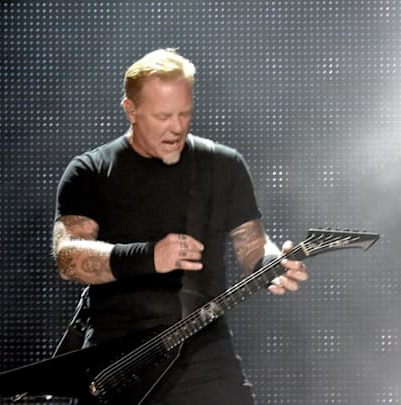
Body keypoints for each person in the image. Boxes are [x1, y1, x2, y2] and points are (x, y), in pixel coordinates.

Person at [51, 48, 308, 404]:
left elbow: (253, 246)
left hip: (205, 358)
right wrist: (149, 256)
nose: (177, 127)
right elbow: (68, 259)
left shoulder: (223, 165)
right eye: (163, 116)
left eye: (185, 113)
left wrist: (270, 265)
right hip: (118, 365)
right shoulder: (89, 172)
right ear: (131, 110)